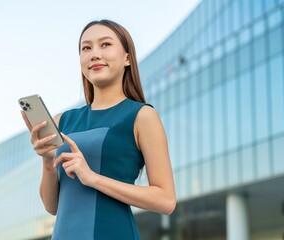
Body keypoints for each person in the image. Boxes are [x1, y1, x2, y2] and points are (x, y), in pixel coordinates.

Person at [21, 19, 176, 240]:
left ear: (127, 58)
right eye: (86, 48)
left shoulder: (142, 116)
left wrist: (92, 178)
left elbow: (166, 200)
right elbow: (52, 206)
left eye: (105, 44)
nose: (94, 54)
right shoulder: (62, 121)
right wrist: (47, 161)